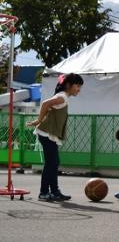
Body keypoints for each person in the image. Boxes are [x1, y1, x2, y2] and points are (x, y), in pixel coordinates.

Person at [27, 73, 84, 201]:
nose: (79, 89)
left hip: (49, 134)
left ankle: (54, 192)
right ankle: (44, 192)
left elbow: (49, 107)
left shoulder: (63, 97)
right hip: (46, 134)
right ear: (68, 85)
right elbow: (45, 104)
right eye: (77, 86)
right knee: (51, 163)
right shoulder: (62, 97)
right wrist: (38, 120)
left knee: (53, 163)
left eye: (80, 86)